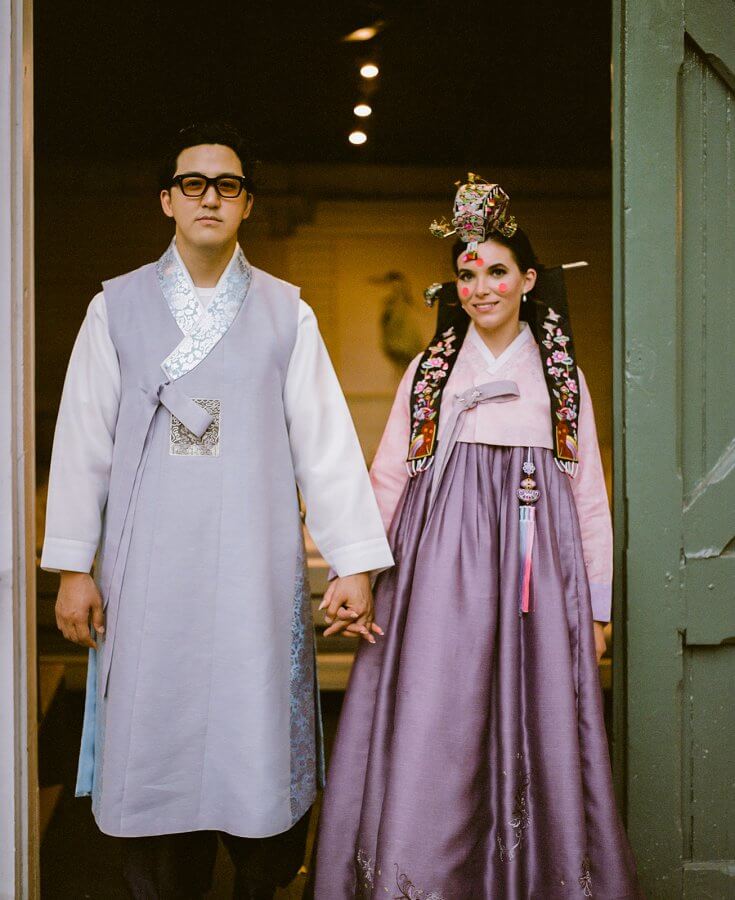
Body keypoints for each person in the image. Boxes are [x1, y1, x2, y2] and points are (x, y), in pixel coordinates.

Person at [41, 121, 393, 900]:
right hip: (150, 579)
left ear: (247, 206)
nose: (209, 198)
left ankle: (262, 877)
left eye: (226, 185)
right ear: (167, 200)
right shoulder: (117, 308)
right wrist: (73, 566)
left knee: (254, 743)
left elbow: (325, 445)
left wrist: (353, 563)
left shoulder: (284, 313)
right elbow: (82, 442)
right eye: (192, 184)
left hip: (252, 576)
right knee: (158, 743)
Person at [314, 177, 642, 898]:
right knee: (437, 721)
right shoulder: (428, 374)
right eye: (466, 273)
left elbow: (588, 495)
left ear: (528, 280)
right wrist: (357, 570)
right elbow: (388, 477)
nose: (480, 287)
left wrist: (594, 607)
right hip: (435, 577)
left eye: (497, 271)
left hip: (536, 576)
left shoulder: (562, 379)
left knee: (537, 725)